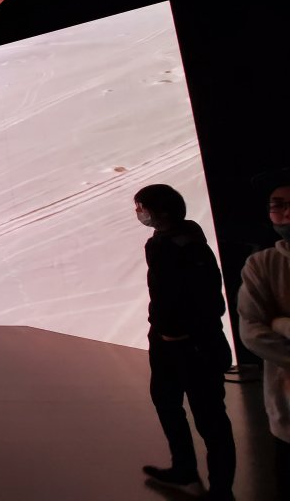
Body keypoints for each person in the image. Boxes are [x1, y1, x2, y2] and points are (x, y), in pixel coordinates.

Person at [136, 183, 236, 500]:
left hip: (195, 346)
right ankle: (184, 468)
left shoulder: (189, 246)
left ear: (162, 211)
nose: (139, 213)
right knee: (167, 404)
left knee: (209, 418)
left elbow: (210, 300)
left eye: (142, 207)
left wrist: (184, 333)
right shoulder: (160, 242)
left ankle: (221, 490)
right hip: (166, 343)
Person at [237, 172, 290, 498]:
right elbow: (252, 331)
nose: (286, 212)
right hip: (286, 411)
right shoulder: (262, 264)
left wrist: (281, 325)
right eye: (278, 205)